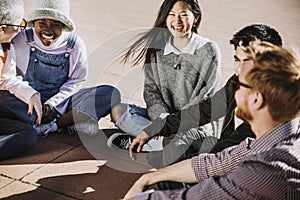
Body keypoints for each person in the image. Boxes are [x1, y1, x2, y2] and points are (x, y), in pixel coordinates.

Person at [124, 41, 300, 199]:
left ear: (256, 99)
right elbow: (215, 162)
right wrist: (150, 177)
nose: (234, 90)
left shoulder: (266, 171)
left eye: (240, 86)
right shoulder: (273, 139)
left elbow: (194, 196)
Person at [125, 24, 283, 168]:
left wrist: (185, 166)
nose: (239, 69)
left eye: (247, 61)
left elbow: (230, 149)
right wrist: (155, 128)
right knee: (180, 139)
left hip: (248, 169)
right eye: (236, 59)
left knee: (170, 175)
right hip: (223, 152)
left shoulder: (273, 103)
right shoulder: (237, 82)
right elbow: (204, 111)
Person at [108, 0, 222, 152]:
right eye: (171, 15)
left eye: (183, 15)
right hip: (163, 120)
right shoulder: (157, 49)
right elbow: (151, 92)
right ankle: (165, 143)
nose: (177, 21)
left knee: (192, 137)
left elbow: (206, 96)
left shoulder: (208, 49)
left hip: (196, 123)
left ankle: (141, 143)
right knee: (118, 111)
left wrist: (172, 125)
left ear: (196, 18)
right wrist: (162, 120)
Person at [0, 0, 121, 137]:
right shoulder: (20, 38)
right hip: (26, 102)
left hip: (63, 103)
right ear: (34, 23)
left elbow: (76, 80)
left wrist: (54, 105)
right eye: (42, 23)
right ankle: (65, 122)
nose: (48, 30)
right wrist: (31, 97)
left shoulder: (74, 44)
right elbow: (9, 77)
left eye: (55, 25)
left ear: (63, 26)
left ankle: (53, 125)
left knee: (110, 93)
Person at [0, 0, 39, 160]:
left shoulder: (7, 48)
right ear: (2, 28)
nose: (22, 29)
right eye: (20, 25)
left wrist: (31, 94)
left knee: (28, 133)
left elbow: (5, 79)